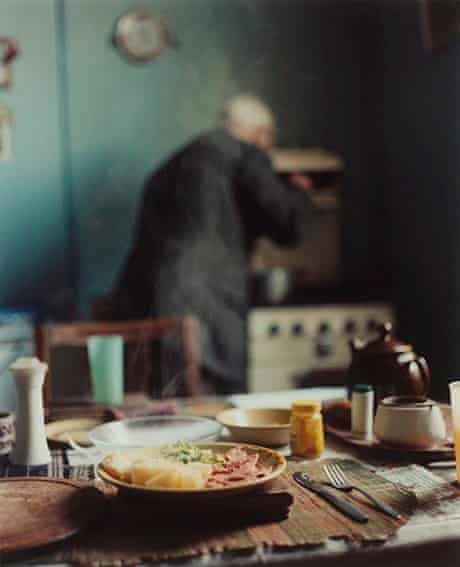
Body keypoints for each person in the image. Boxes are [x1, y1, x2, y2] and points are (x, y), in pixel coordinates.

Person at [110, 94, 314, 394]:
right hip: (211, 304)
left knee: (173, 406)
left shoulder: (169, 167)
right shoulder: (247, 152)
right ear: (260, 134)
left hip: (151, 303)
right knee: (224, 408)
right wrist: (299, 192)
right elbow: (287, 226)